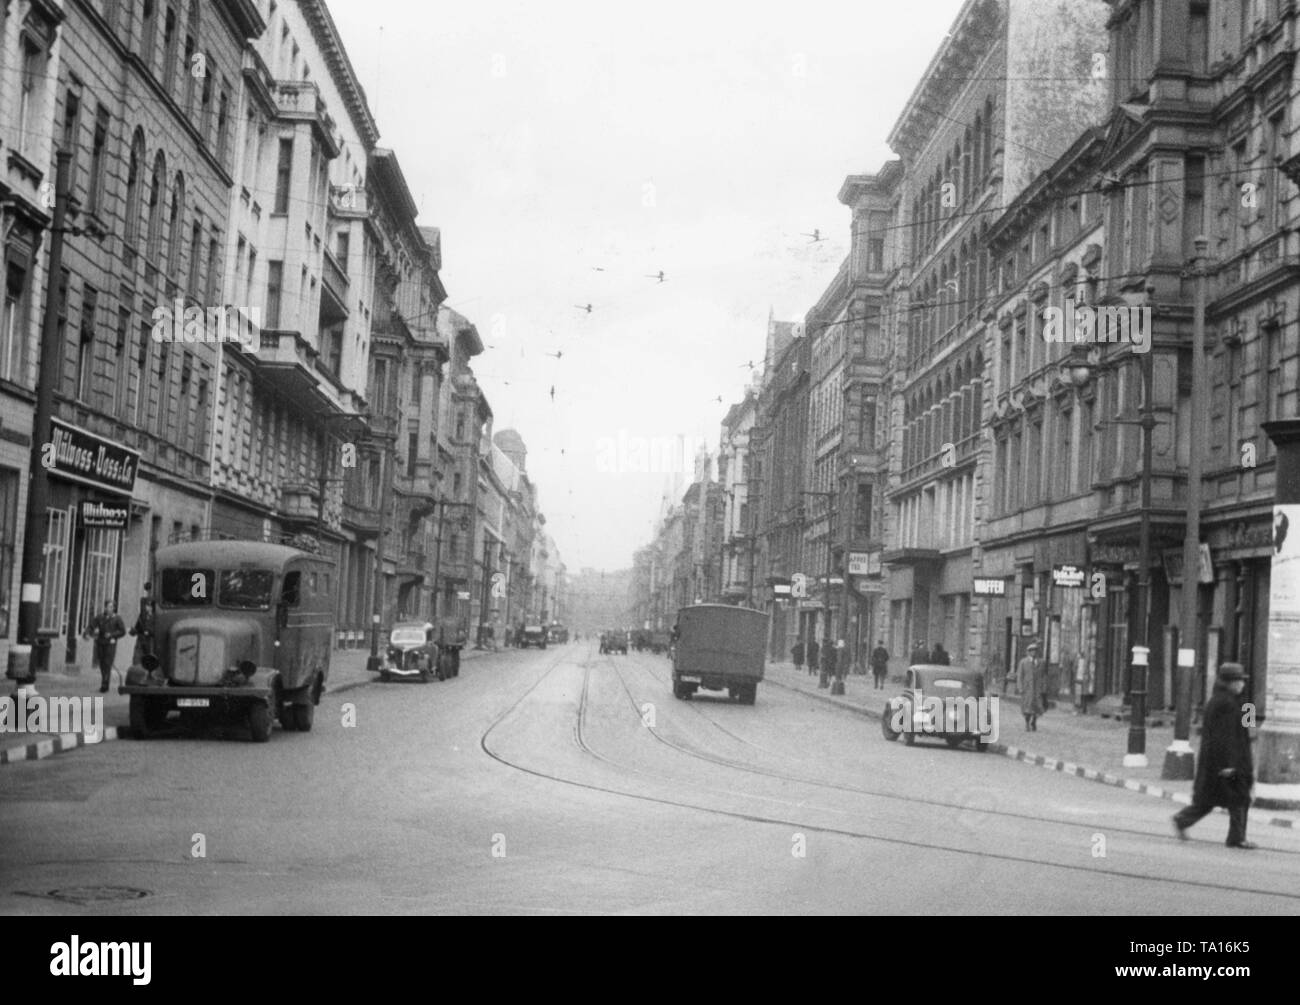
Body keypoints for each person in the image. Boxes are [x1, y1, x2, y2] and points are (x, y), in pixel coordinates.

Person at [1173, 664, 1256, 849]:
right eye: (1238, 680)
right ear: (1229, 683)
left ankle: (1182, 819)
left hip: (1230, 760)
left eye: (1243, 680)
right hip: (1228, 762)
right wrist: (1230, 764)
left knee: (1210, 799)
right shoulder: (1223, 703)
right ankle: (1236, 838)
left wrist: (1249, 711)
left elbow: (1248, 732)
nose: (1242, 684)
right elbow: (1225, 737)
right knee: (1239, 798)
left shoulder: (1238, 702)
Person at [85, 600, 127, 694]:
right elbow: (91, 626)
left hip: (110, 644)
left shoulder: (117, 618)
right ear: (105, 607)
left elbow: (123, 631)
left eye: (112, 607)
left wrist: (112, 635)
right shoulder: (100, 617)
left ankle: (105, 684)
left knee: (108, 663)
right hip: (101, 642)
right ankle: (104, 681)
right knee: (102, 663)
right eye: (108, 607)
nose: (110, 609)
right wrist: (88, 633)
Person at [1013, 641, 1044, 730]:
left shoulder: (1040, 662)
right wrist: (1020, 687)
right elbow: (1020, 676)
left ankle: (1034, 721)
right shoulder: (1023, 662)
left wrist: (1043, 687)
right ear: (1029, 652)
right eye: (1032, 651)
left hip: (1037, 689)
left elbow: (1043, 675)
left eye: (1035, 651)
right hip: (1027, 689)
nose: (1034, 652)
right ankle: (1027, 723)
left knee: (1037, 707)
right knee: (1027, 707)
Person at [128, 583, 155, 666]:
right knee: (137, 660)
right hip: (141, 639)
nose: (147, 608)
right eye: (146, 606)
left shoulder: (156, 616)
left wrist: (150, 632)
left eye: (149, 606)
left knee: (151, 660)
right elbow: (138, 626)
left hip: (151, 641)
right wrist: (134, 630)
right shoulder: (142, 616)